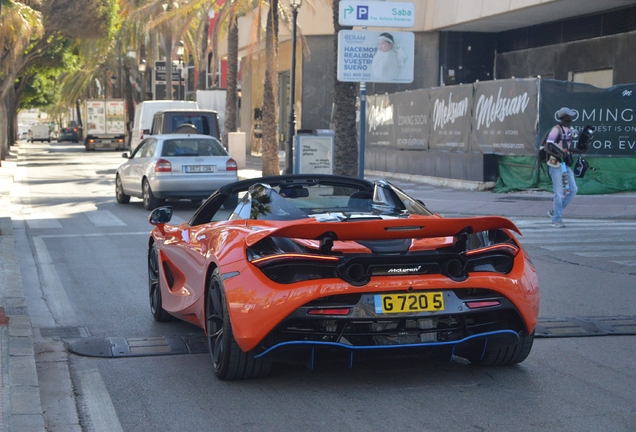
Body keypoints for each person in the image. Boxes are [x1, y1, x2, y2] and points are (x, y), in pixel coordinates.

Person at [546, 107, 578, 228]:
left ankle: (555, 211)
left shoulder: (568, 129)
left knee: (573, 189)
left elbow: (567, 148)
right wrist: (558, 155)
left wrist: (579, 150)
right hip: (556, 164)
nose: (572, 117)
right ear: (564, 116)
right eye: (569, 115)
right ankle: (556, 220)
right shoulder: (556, 130)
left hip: (565, 163)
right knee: (559, 193)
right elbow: (547, 147)